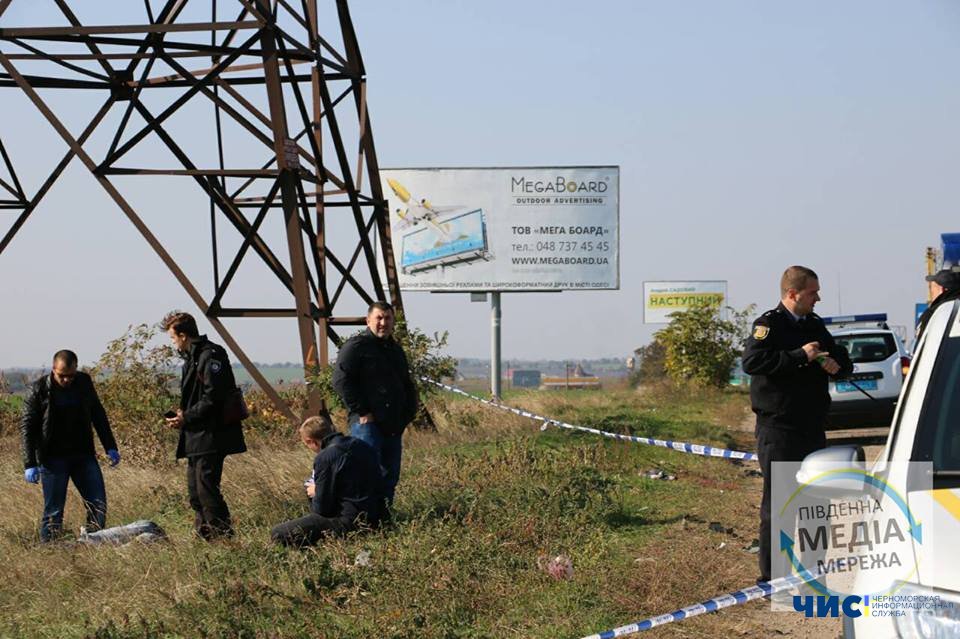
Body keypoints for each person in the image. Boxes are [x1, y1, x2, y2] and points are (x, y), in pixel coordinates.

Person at [742, 266, 853, 582]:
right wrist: (798, 356)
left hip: (812, 428)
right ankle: (774, 579)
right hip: (779, 430)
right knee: (781, 507)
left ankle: (813, 574)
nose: (818, 298)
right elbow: (753, 362)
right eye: (812, 292)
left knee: (817, 507)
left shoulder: (814, 325)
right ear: (793, 294)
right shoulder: (769, 325)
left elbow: (843, 361)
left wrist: (837, 365)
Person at [19, 350, 120, 541]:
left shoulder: (83, 383)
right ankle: (49, 549)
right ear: (53, 370)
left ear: (76, 369)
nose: (66, 380)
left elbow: (98, 414)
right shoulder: (39, 390)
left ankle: (93, 543)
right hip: (53, 458)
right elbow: (27, 427)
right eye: (62, 376)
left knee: (98, 504)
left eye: (70, 376)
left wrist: (110, 446)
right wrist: (29, 463)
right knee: (54, 510)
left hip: (83, 455)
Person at [162, 311, 246, 540]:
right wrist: (183, 416)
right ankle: (205, 538)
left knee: (206, 490)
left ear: (183, 335)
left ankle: (224, 539)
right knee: (195, 493)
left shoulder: (210, 355)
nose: (173, 343)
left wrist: (186, 417)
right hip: (196, 436)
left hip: (212, 435)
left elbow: (214, 397)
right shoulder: (193, 357)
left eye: (172, 338)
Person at [332, 301, 418, 507]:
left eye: (388, 318)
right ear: (368, 320)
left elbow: (406, 383)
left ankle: (384, 519)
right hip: (366, 425)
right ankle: (363, 519)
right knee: (365, 474)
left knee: (389, 477)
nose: (383, 323)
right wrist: (363, 411)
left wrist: (409, 413)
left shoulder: (395, 350)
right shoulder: (356, 346)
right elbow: (341, 381)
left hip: (393, 424)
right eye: (379, 318)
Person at [271, 415, 385, 547]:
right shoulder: (361, 445)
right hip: (378, 516)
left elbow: (322, 509)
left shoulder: (325, 458)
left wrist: (315, 491)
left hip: (350, 522)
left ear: (311, 441)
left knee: (278, 533)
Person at [916, 267, 960, 339]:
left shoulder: (934, 314)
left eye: (931, 288)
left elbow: (922, 340)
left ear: (942, 289)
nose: (931, 293)